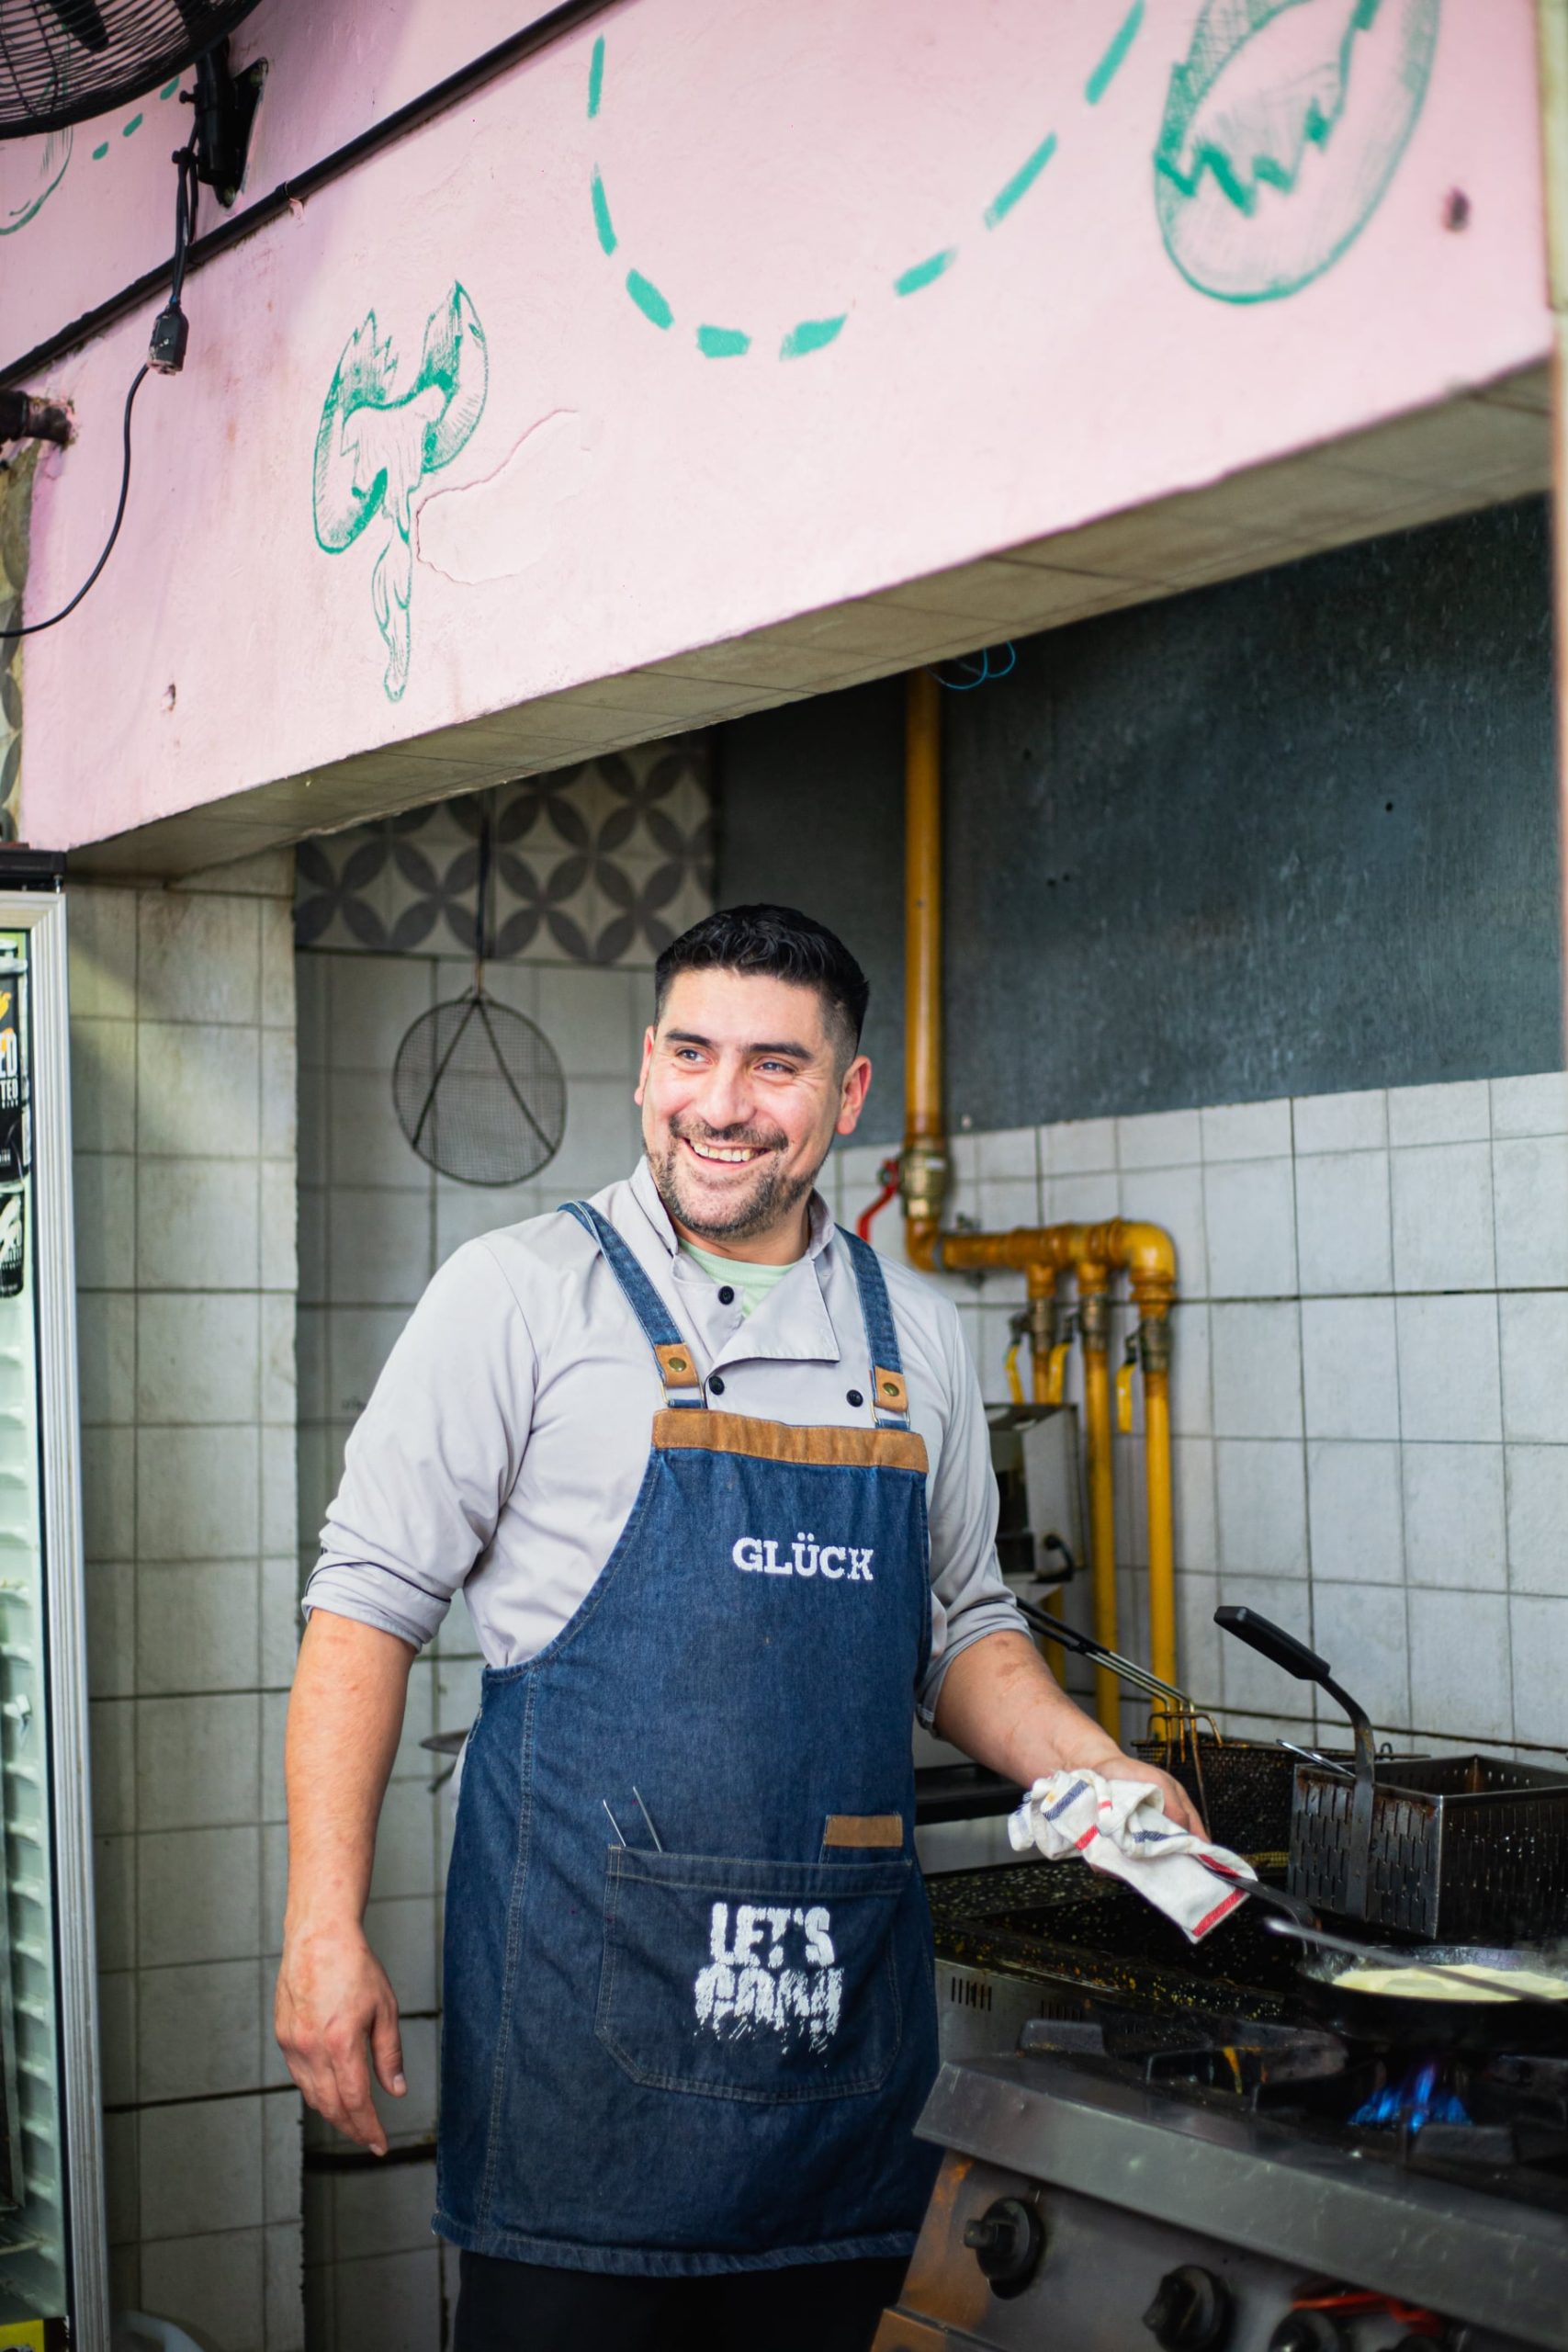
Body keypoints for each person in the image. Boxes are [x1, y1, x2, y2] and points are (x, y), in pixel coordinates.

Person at [276, 904, 1200, 2352]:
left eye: (774, 1065)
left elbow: (962, 1628)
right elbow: (363, 1611)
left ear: (846, 1094)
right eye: (692, 1054)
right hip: (584, 2079)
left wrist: (1099, 1769)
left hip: (839, 2076)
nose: (722, 1103)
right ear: (644, 1066)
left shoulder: (919, 1333)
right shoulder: (518, 1296)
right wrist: (322, 1928)